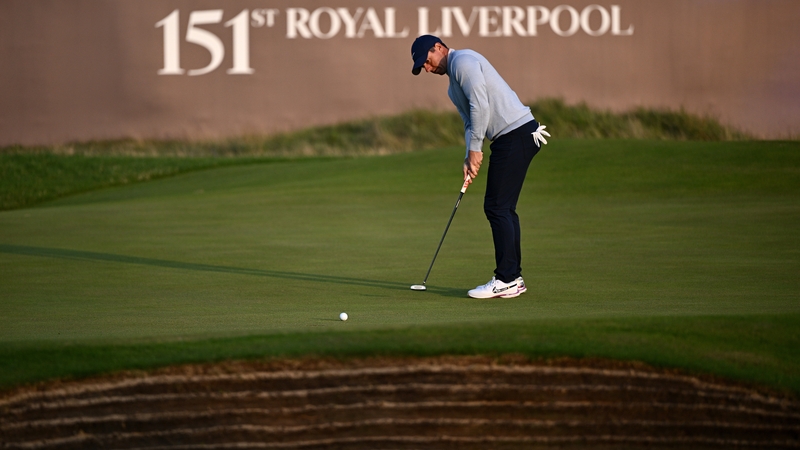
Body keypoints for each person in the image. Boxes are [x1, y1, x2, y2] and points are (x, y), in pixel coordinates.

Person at [410, 35, 550, 299]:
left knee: (497, 207)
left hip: (516, 133)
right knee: (503, 208)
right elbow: (468, 122)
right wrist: (468, 156)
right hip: (510, 137)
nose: (428, 69)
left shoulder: (463, 61)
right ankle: (513, 279)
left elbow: (480, 105)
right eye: (423, 68)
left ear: (439, 47)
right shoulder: (452, 87)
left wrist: (477, 148)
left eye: (427, 61)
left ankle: (506, 279)